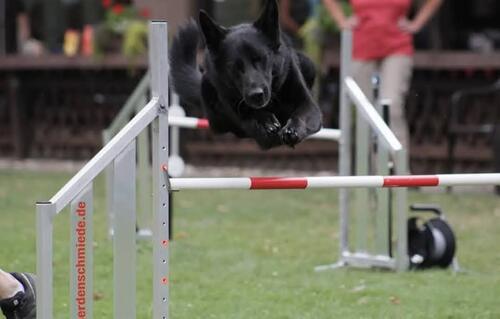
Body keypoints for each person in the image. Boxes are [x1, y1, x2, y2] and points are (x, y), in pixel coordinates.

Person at [322, 0, 442, 162]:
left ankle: (400, 171)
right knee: (365, 110)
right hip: (361, 47)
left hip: (397, 47)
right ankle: (371, 170)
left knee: (392, 105)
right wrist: (342, 21)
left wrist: (416, 24)